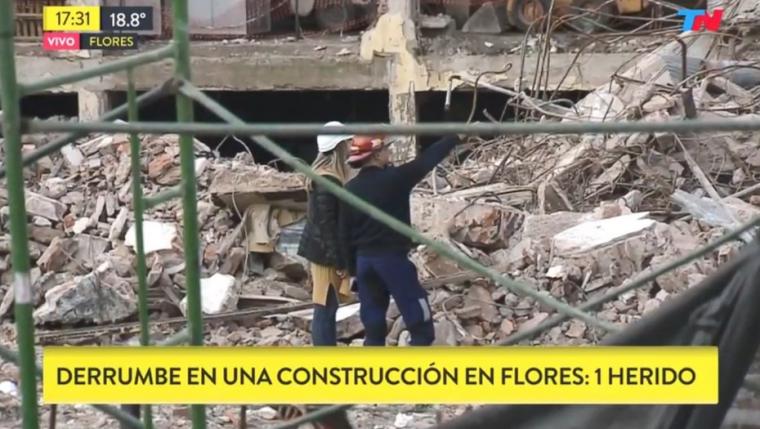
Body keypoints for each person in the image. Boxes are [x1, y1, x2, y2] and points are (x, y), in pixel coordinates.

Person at [339, 133, 464, 346]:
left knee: (372, 316)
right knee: (416, 307)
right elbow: (426, 161)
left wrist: (351, 269)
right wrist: (455, 137)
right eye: (386, 149)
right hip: (391, 259)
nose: (390, 152)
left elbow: (343, 231)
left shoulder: (350, 189)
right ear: (377, 155)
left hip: (364, 263)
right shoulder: (395, 179)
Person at [296, 121, 354, 346]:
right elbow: (328, 226)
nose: (351, 146)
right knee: (325, 307)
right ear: (339, 147)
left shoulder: (325, 176)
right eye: (347, 142)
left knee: (328, 306)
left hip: (322, 251)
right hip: (325, 254)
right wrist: (340, 261)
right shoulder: (327, 180)